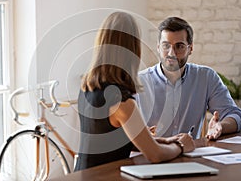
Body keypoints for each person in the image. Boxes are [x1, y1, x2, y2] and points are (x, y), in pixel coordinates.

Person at [74, 12, 195, 171]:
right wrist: (180, 146)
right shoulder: (121, 101)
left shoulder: (88, 87)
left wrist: (165, 141)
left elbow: (117, 141)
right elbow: (155, 155)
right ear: (132, 49)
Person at [137, 17, 241, 140]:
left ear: (190, 48)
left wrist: (220, 126)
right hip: (154, 155)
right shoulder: (139, 82)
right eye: (166, 45)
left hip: (191, 154)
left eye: (179, 46)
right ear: (158, 47)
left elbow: (235, 115)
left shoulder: (206, 77)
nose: (171, 53)